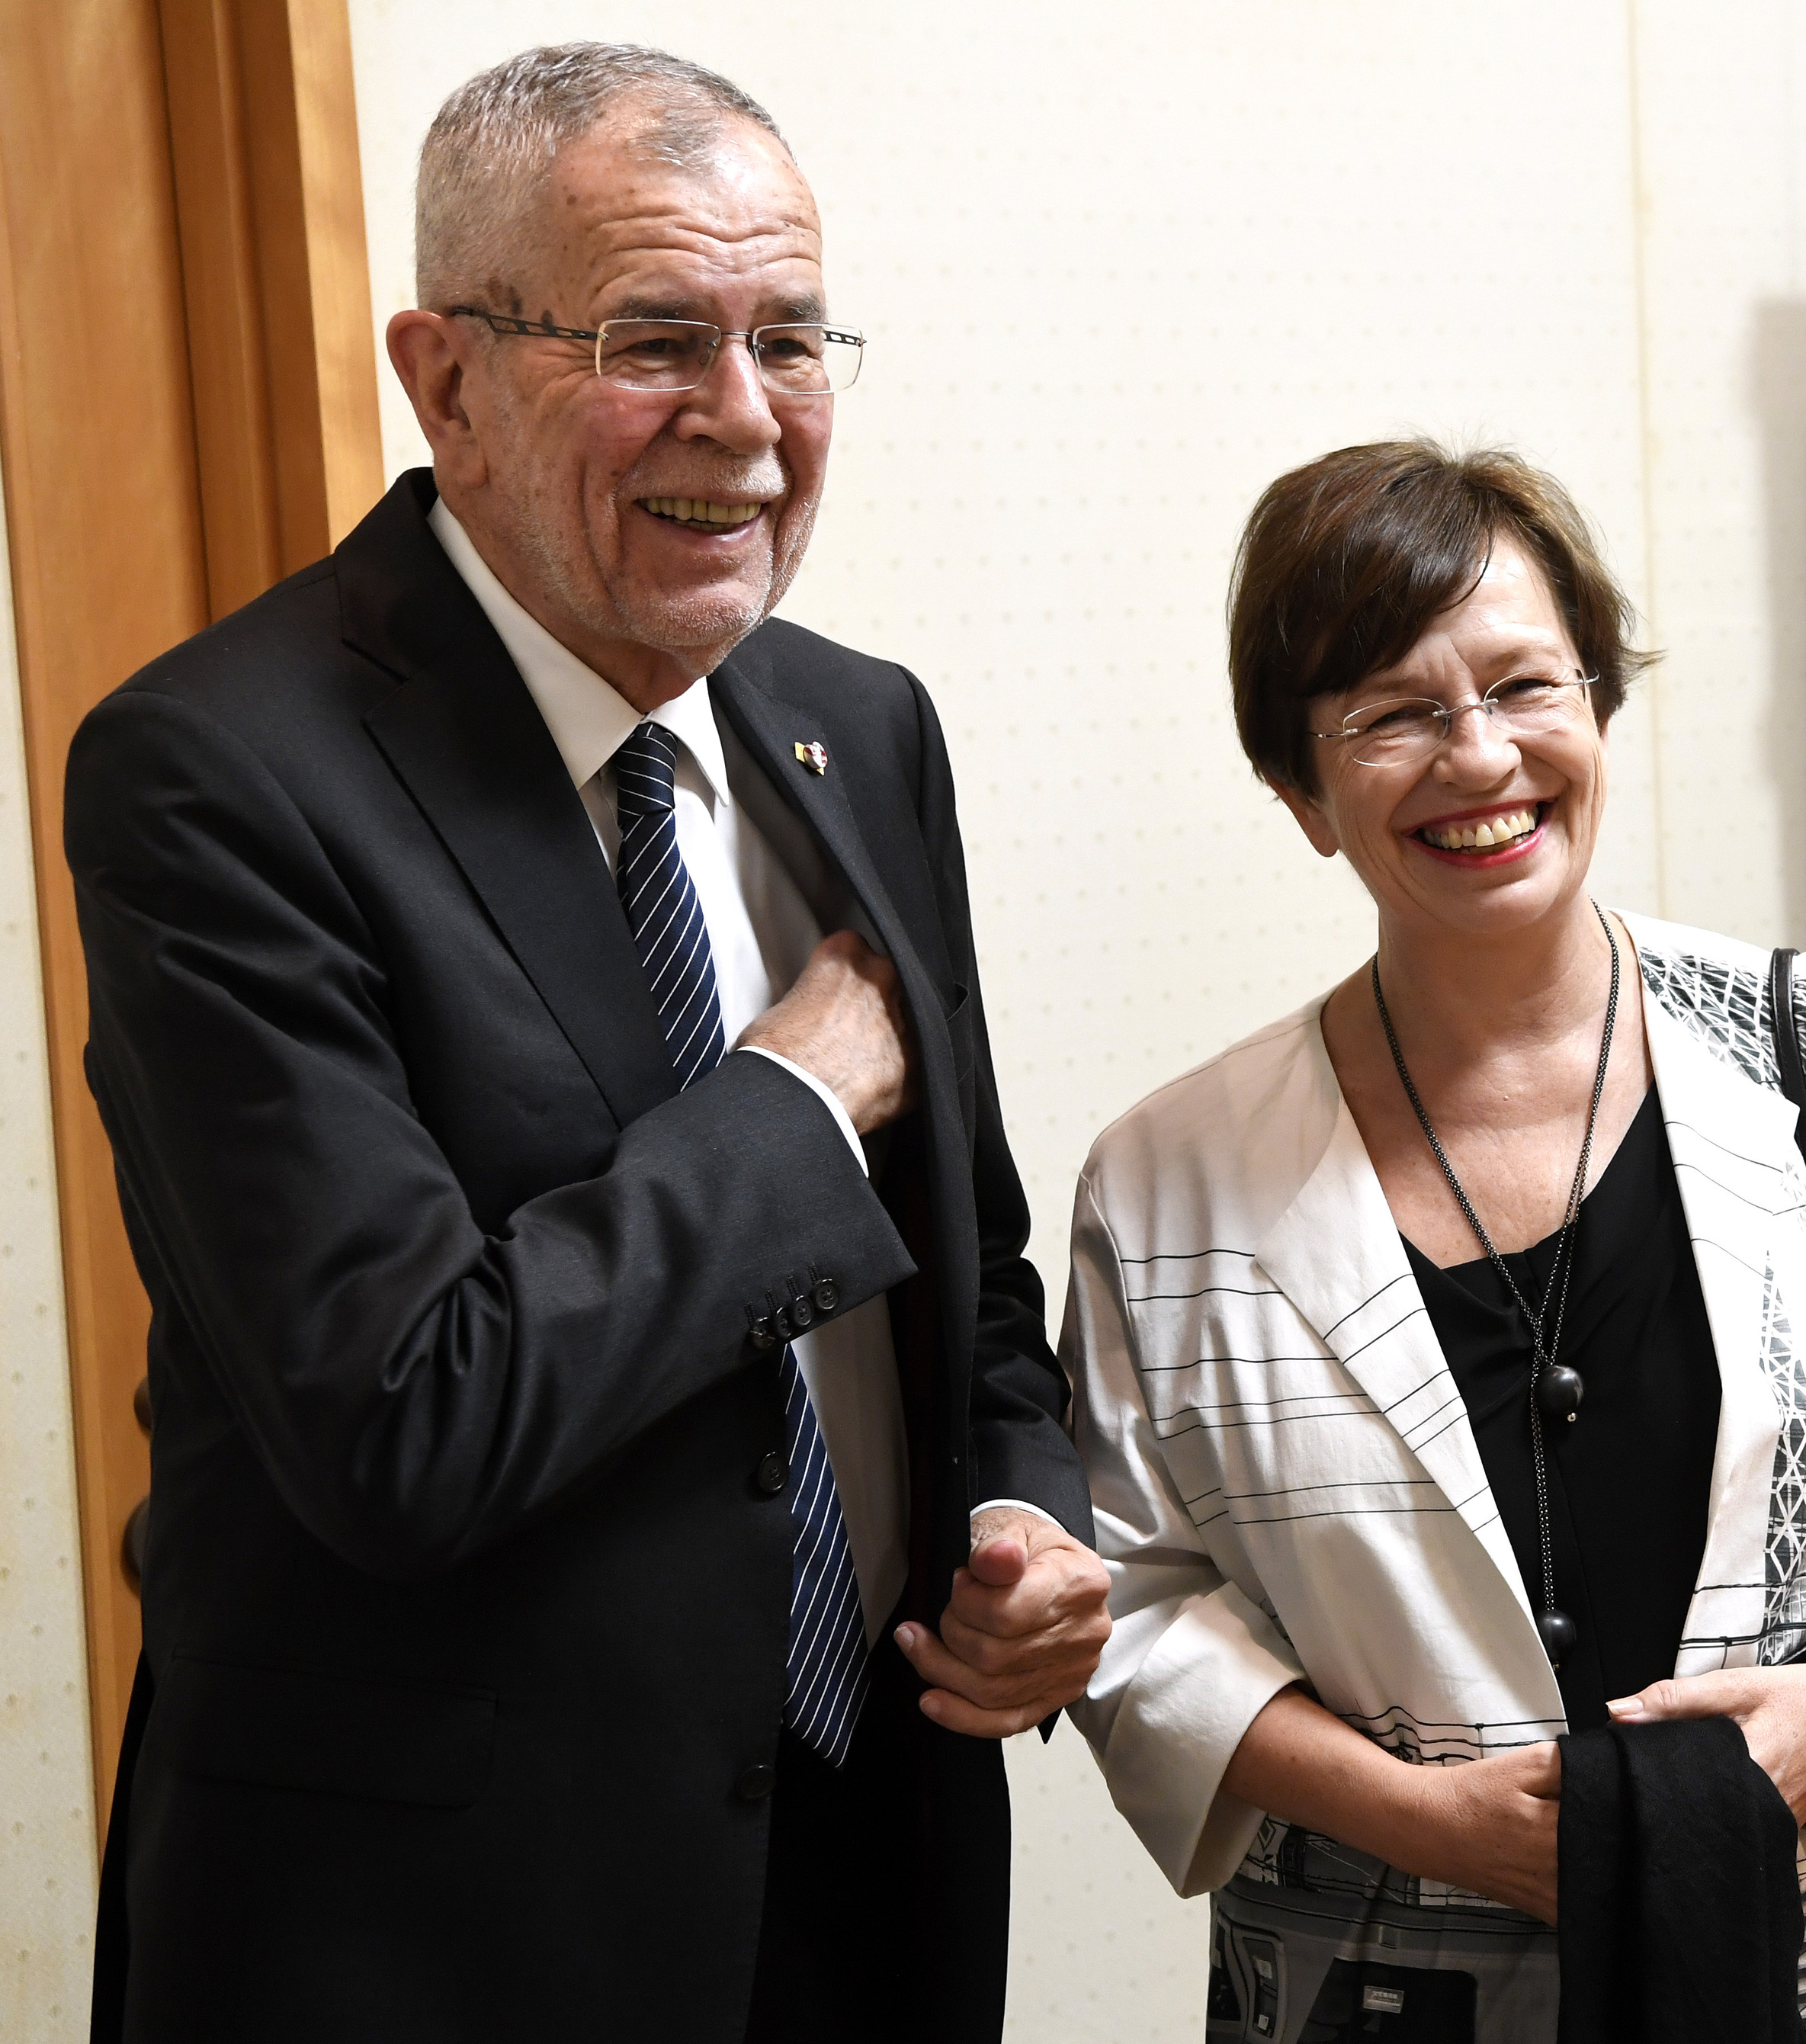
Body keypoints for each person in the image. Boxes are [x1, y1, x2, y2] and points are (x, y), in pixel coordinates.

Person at [71, 45, 1104, 2043]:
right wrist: (792, 1096)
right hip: (439, 1932)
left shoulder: (858, 726)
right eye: (656, 339)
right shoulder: (217, 776)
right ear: (446, 377)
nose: (745, 421)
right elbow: (405, 1421)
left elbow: (969, 1292)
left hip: (863, 1864)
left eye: (792, 340)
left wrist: (1026, 1511)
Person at [1062, 441, 1806, 2040]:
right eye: (1392, 713)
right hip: (1369, 1986)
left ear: (1597, 706)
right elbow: (1129, 1603)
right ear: (1299, 792)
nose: (1478, 758)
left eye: (1524, 686)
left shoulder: (1802, 1043)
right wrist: (1427, 1822)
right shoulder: (1166, 1178)